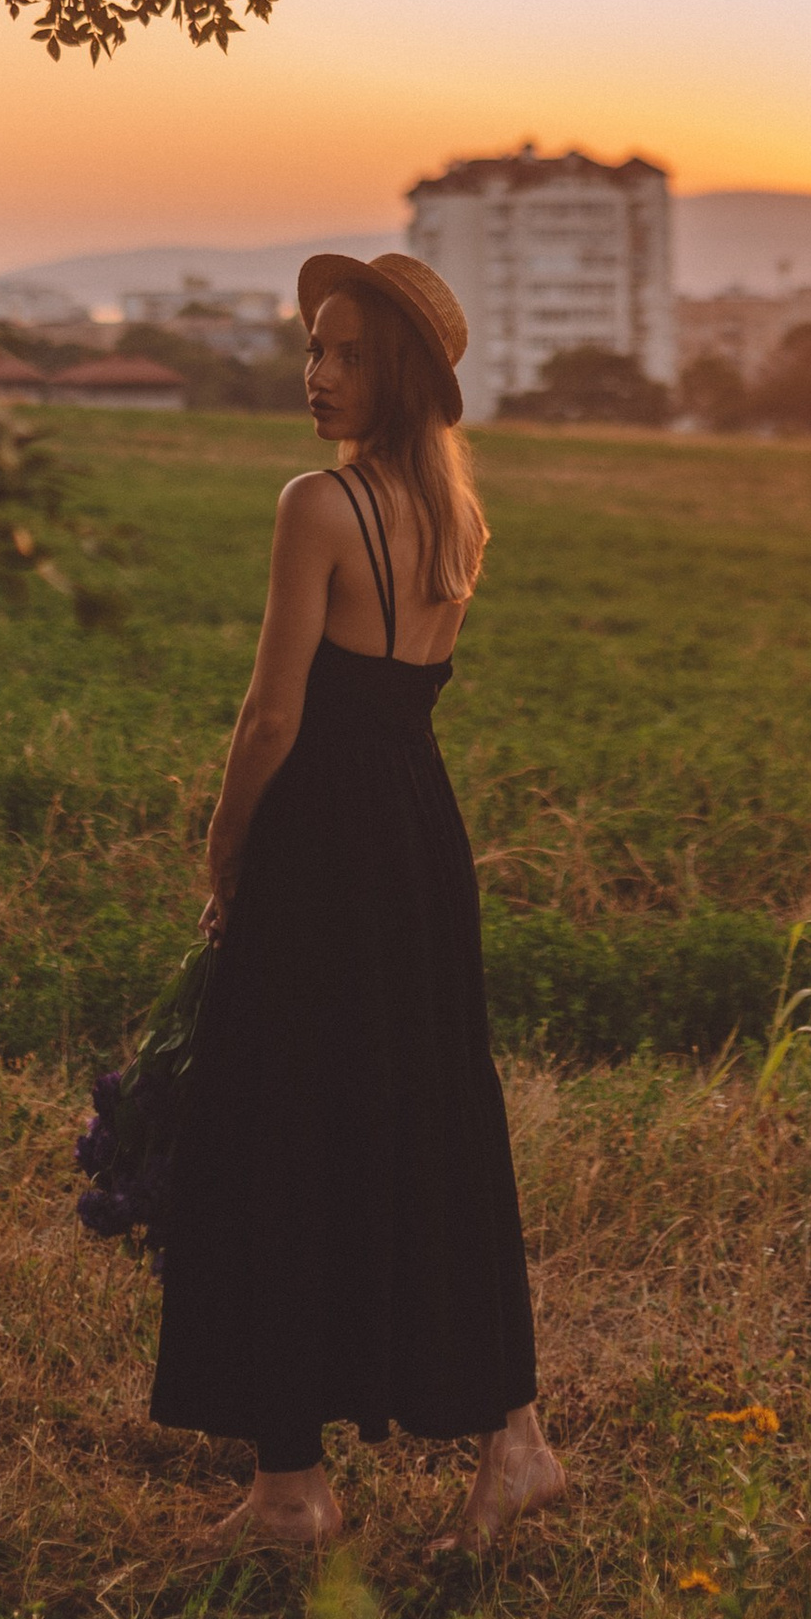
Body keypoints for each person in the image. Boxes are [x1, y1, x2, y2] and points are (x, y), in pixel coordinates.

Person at [149, 249, 566, 1550]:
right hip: (419, 847)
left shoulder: (317, 507)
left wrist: (222, 853)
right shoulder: (456, 518)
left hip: (323, 846)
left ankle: (291, 1489)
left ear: (397, 376)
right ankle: (515, 1443)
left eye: (343, 354)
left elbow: (273, 717)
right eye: (312, 348)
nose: (315, 375)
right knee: (431, 1126)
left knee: (278, 1131)